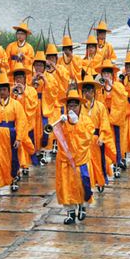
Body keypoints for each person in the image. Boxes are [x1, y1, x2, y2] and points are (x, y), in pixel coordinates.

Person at [53, 89, 94, 224]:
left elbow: (87, 139)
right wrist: (60, 125)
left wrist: (77, 125)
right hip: (65, 158)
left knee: (81, 184)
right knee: (66, 185)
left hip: (80, 159)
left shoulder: (86, 121)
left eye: (75, 106)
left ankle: (82, 206)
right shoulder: (62, 120)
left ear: (80, 107)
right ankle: (70, 212)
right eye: (69, 106)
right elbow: (56, 137)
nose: (72, 108)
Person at [0, 71, 32, 195]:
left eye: (4, 90)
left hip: (10, 135)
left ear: (9, 91)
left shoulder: (16, 104)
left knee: (12, 159)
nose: (2, 92)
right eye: (0, 90)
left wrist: (18, 138)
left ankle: (13, 180)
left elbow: (21, 121)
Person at [80, 73, 112, 193]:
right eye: (85, 90)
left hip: (96, 138)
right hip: (83, 139)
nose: (87, 93)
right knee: (85, 162)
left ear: (94, 92)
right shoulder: (80, 106)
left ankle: (100, 180)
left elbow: (104, 123)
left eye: (89, 90)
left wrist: (102, 137)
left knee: (98, 162)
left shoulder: (100, 106)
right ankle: (88, 183)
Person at [98, 60, 127, 179]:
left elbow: (122, 97)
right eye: (104, 74)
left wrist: (112, 85)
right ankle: (105, 167)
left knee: (117, 142)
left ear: (112, 75)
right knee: (105, 143)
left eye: (108, 74)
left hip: (115, 117)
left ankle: (117, 165)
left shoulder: (118, 85)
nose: (106, 76)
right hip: (104, 119)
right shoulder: (100, 88)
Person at [11, 64, 41, 177]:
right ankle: (20, 165)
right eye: (16, 78)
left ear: (24, 78)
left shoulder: (31, 90)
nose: (18, 80)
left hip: (27, 122)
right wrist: (13, 93)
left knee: (27, 143)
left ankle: (27, 163)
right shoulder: (12, 90)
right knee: (19, 145)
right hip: (16, 122)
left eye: (20, 78)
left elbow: (33, 105)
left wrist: (24, 93)